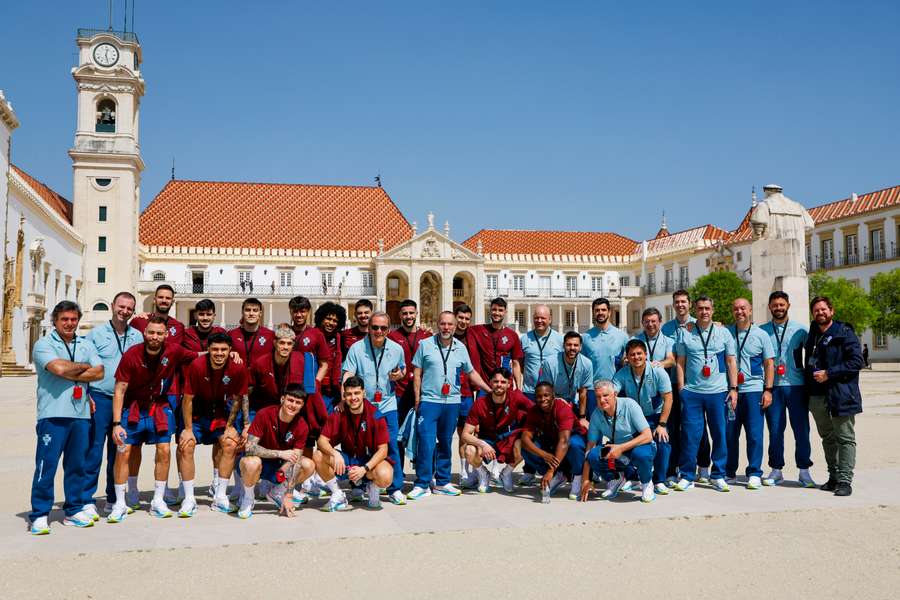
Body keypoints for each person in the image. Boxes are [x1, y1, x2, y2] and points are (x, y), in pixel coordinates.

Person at [107, 316, 198, 522]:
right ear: (144, 333)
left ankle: (158, 499)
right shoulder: (132, 354)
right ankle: (122, 501)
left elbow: (198, 354)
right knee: (124, 450)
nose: (154, 337)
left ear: (166, 335)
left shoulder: (173, 350)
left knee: (164, 449)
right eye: (151, 332)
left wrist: (227, 354)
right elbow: (120, 389)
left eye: (159, 333)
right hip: (134, 407)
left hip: (160, 405)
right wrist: (116, 423)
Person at [29, 301, 104, 534]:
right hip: (52, 414)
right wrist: (83, 368)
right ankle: (40, 513)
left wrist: (70, 368)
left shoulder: (85, 343)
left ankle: (73, 509)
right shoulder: (43, 344)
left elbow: (99, 372)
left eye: (73, 319)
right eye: (64, 319)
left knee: (77, 465)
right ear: (55, 320)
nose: (69, 323)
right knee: (46, 464)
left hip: (80, 414)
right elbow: (57, 369)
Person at [410, 311, 490, 499]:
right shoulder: (426, 344)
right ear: (438, 324)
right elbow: (417, 372)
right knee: (427, 443)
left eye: (450, 324)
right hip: (430, 401)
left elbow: (471, 373)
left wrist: (488, 389)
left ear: (455, 327)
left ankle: (443, 482)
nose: (446, 328)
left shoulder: (461, 348)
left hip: (452, 401)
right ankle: (422, 483)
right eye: (443, 324)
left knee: (446, 443)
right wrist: (417, 398)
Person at [248, 324, 327, 502]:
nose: (285, 347)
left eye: (289, 343)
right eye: (282, 342)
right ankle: (245, 491)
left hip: (290, 412)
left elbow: (308, 391)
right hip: (264, 413)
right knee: (250, 450)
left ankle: (281, 488)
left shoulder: (303, 359)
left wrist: (312, 420)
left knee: (299, 456)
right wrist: (247, 421)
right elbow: (247, 391)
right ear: (275, 343)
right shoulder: (261, 362)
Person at [177, 332, 249, 516]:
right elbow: (188, 399)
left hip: (220, 412)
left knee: (230, 443)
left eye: (224, 349)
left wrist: (230, 426)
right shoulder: (197, 365)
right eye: (215, 349)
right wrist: (187, 429)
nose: (219, 353)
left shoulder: (238, 368)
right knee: (186, 445)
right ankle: (189, 498)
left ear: (230, 350)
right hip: (198, 413)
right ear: (208, 350)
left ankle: (220, 497)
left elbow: (237, 399)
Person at [84, 292, 142, 517]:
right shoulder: (96, 335)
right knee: (93, 450)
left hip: (125, 402)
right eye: (121, 306)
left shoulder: (137, 336)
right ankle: (86, 499)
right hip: (100, 398)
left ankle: (112, 498)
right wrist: (86, 394)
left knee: (119, 451)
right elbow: (83, 365)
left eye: (129, 308)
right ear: (112, 306)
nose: (125, 311)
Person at [673, 295, 738, 493]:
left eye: (707, 308)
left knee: (719, 434)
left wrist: (733, 388)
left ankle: (718, 475)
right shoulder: (686, 333)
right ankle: (687, 475)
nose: (704, 312)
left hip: (718, 392)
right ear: (696, 309)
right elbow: (680, 362)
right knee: (691, 436)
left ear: (713, 310)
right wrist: (681, 388)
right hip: (692, 392)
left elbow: (730, 361)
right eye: (700, 308)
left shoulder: (723, 332)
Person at [342, 311, 407, 504]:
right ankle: (358, 485)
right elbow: (348, 373)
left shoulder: (396, 349)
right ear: (369, 328)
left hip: (387, 403)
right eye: (375, 327)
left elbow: (402, 369)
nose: (379, 331)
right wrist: (345, 397)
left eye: (383, 328)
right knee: (358, 445)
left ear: (389, 329)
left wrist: (399, 374)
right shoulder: (357, 348)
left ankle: (395, 487)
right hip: (362, 406)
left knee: (392, 444)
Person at [805, 296, 864, 497]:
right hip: (817, 396)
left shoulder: (844, 332)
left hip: (841, 394)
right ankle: (834, 477)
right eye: (816, 310)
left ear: (832, 311)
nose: (820, 313)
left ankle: (846, 480)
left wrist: (829, 373)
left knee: (845, 438)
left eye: (823, 309)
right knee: (827, 438)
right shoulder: (812, 333)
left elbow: (857, 362)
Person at [760, 291, 815, 487]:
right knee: (775, 430)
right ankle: (776, 470)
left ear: (788, 306)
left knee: (801, 430)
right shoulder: (762, 331)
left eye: (782, 305)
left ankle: (804, 471)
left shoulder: (801, 330)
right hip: (772, 387)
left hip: (796, 386)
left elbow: (812, 356)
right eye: (775, 305)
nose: (778, 308)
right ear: (770, 307)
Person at [315, 376, 395, 511]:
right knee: (318, 455)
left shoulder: (376, 416)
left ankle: (372, 487)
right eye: (349, 394)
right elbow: (321, 440)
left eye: (357, 393)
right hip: (348, 460)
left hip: (368, 463)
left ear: (363, 393)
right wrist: (334, 453)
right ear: (344, 395)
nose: (353, 398)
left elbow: (383, 450)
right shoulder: (339, 412)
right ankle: (337, 494)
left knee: (386, 475)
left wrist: (364, 468)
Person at [238, 384, 317, 519]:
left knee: (308, 465)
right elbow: (249, 448)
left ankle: (278, 491)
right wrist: (280, 453)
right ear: (282, 399)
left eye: (298, 403)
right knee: (252, 462)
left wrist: (289, 494)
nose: (293, 405)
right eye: (290, 400)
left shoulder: (302, 425)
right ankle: (248, 498)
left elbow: (296, 460)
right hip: (259, 462)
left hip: (280, 466)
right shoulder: (264, 414)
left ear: (302, 406)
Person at [579, 380, 656, 503]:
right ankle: (615, 478)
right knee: (594, 455)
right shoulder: (596, 414)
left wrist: (621, 448)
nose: (602, 400)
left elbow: (648, 436)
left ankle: (647, 483)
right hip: (616, 448)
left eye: (605, 395)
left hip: (638, 445)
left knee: (641, 455)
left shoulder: (629, 405)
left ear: (614, 394)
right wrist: (585, 479)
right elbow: (590, 446)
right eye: (598, 397)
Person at [726, 298, 775, 490]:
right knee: (730, 434)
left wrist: (768, 390)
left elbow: (769, 363)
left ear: (750, 310)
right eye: (736, 308)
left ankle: (754, 472)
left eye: (743, 308)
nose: (740, 312)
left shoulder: (761, 335)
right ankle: (729, 471)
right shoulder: (726, 333)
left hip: (754, 391)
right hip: (732, 392)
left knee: (754, 434)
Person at [612, 339, 672, 495]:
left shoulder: (658, 372)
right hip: (633, 419)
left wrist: (662, 425)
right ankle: (632, 478)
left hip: (654, 416)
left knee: (663, 441)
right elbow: (613, 394)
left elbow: (668, 398)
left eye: (639, 354)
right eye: (632, 355)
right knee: (623, 441)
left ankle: (659, 480)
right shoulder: (622, 373)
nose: (636, 357)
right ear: (627, 357)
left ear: (646, 355)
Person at [460, 367, 532, 492]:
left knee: (527, 442)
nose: (499, 385)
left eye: (503, 382)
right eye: (496, 381)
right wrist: (483, 444)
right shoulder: (480, 403)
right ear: (490, 382)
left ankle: (506, 472)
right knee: (469, 450)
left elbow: (536, 410)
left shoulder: (516, 397)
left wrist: (556, 402)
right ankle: (483, 474)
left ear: (509, 384)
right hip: (487, 439)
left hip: (507, 438)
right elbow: (465, 435)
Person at [661, 289, 703, 483]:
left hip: (695, 385)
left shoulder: (699, 325)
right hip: (671, 384)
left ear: (689, 303)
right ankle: (675, 466)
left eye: (683, 301)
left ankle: (703, 465)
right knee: (673, 426)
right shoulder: (666, 329)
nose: (680, 305)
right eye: (677, 302)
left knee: (696, 428)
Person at [521, 381, 588, 502]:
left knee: (574, 444)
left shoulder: (562, 408)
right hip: (554, 442)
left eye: (546, 395)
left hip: (573, 438)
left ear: (553, 395)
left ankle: (577, 477)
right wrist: (543, 454)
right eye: (539, 396)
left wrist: (550, 470)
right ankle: (559, 475)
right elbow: (525, 439)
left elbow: (564, 441)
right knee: (527, 449)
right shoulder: (534, 411)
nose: (543, 399)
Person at [387, 299, 430, 456]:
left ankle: (423, 472)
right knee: (398, 433)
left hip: (423, 392)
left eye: (411, 313)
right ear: (400, 315)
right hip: (399, 392)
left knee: (422, 433)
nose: (408, 316)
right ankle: (399, 473)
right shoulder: (391, 336)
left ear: (417, 313)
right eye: (405, 313)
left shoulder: (427, 335)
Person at [581, 297, 628, 417]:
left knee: (617, 427)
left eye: (603, 310)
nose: (600, 313)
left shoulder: (622, 336)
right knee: (594, 427)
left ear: (609, 312)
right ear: (593, 312)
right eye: (597, 310)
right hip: (593, 390)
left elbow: (627, 362)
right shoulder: (586, 337)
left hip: (615, 389)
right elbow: (581, 366)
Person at [469, 297, 524, 390]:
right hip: (485, 385)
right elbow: (461, 328)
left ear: (505, 312)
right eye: (494, 309)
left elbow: (515, 363)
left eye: (500, 310)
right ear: (490, 311)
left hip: (505, 385)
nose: (497, 313)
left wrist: (518, 388)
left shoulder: (512, 335)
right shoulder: (478, 330)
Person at [539, 331, 593, 422]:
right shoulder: (550, 363)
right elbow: (545, 392)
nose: (572, 348)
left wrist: (582, 417)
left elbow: (583, 393)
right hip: (552, 403)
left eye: (576, 345)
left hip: (571, 403)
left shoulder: (587, 364)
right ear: (563, 345)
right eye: (569, 345)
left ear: (580, 347)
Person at [452, 303, 479, 483]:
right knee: (445, 435)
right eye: (460, 318)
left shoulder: (474, 335)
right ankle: (455, 470)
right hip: (448, 393)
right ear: (455, 317)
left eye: (467, 319)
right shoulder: (446, 334)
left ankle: (466, 470)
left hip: (467, 393)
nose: (463, 322)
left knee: (465, 433)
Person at [520, 305, 564, 399]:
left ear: (550, 319)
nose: (539, 321)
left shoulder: (559, 339)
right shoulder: (524, 339)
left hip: (552, 392)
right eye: (536, 318)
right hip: (530, 391)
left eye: (543, 318)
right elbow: (520, 364)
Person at [314, 301, 347, 412]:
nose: (331, 323)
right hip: (316, 388)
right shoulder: (312, 336)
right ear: (321, 318)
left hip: (333, 390)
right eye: (328, 319)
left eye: (335, 321)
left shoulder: (338, 338)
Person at [288, 295, 329, 383]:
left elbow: (324, 365)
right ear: (290, 312)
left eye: (302, 311)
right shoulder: (285, 333)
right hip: (288, 386)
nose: (299, 315)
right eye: (295, 311)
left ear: (309, 312)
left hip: (308, 385)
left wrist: (316, 383)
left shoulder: (317, 334)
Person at [228, 297, 275, 365]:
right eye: (247, 310)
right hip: (239, 375)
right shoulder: (231, 335)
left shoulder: (271, 335)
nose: (251, 313)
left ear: (260, 314)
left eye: (255, 310)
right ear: (242, 312)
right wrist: (229, 354)